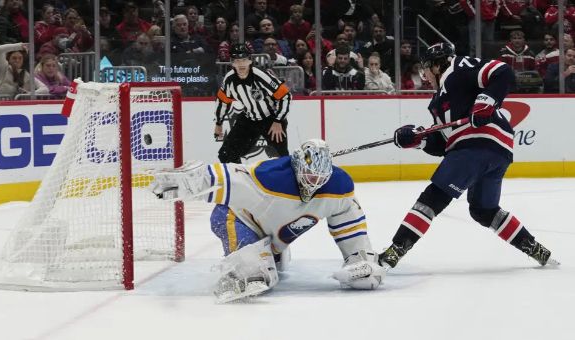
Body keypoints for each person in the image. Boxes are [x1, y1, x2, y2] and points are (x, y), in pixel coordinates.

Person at [381, 42, 558, 270]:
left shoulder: (458, 67)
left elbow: (501, 72)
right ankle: (534, 248)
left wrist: (486, 102)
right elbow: (445, 144)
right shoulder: (437, 102)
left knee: (433, 198)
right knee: (483, 210)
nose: (424, 75)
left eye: (425, 68)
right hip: (495, 152)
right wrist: (419, 139)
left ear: (437, 65)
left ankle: (393, 253)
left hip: (477, 142)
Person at [150, 139, 386, 303]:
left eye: (320, 178)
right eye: (310, 176)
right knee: (255, 277)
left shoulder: (339, 189)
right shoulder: (271, 177)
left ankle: (270, 253)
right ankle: (245, 262)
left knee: (277, 268)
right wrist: (191, 181)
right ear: (299, 167)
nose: (314, 183)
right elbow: (228, 176)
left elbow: (351, 228)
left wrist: (360, 259)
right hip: (237, 217)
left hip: (273, 235)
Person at [214, 43, 291, 163]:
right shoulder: (229, 80)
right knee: (226, 155)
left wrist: (278, 120)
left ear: (250, 60)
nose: (241, 64)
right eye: (237, 61)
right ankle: (238, 180)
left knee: (283, 158)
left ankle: (287, 180)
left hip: (270, 119)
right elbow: (222, 101)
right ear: (232, 63)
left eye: (244, 60)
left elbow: (285, 95)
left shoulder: (260, 75)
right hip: (249, 118)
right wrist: (218, 123)